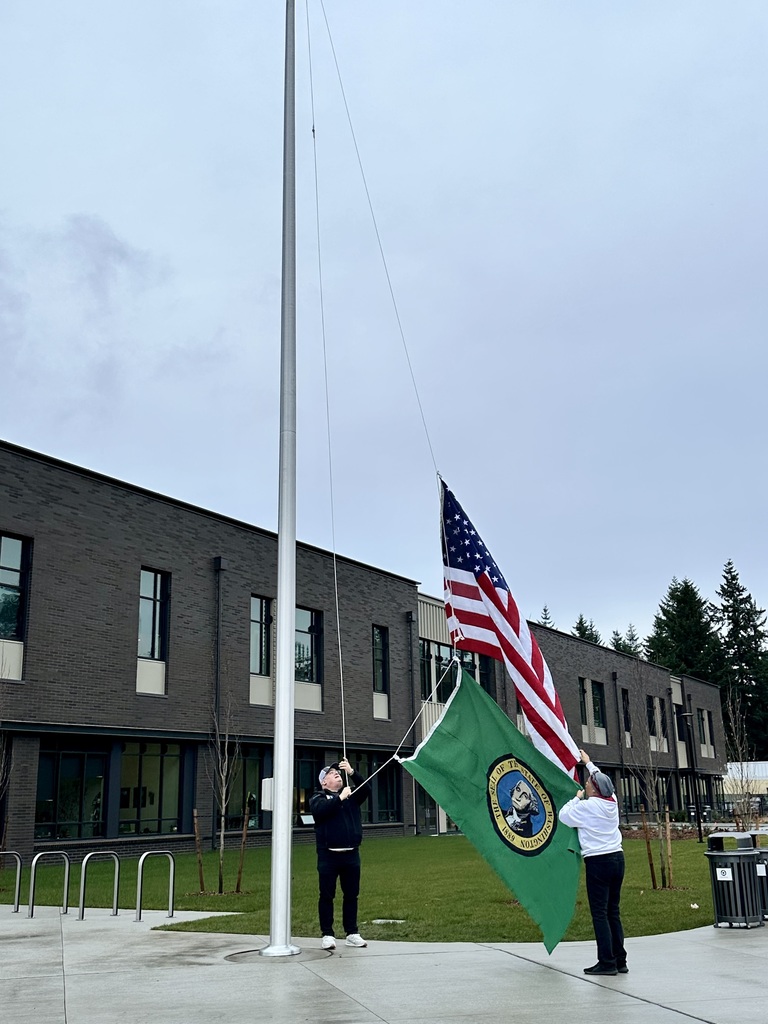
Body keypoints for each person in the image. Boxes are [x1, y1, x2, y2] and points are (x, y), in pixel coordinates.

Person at [558, 748, 627, 977]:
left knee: (599, 913)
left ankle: (606, 962)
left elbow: (564, 815)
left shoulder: (587, 807)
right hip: (618, 859)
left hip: (598, 863)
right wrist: (588, 763)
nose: (586, 785)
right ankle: (620, 960)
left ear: (594, 790)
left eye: (588, 783)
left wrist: (575, 798)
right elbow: (600, 777)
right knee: (612, 911)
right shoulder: (612, 802)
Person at [309, 756, 371, 951]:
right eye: (331, 774)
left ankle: (352, 933)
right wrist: (340, 797)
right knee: (327, 895)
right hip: (328, 856)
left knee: (351, 895)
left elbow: (367, 790)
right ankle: (327, 934)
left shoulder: (351, 797)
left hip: (351, 855)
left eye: (338, 772)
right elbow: (321, 812)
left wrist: (352, 773)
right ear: (324, 782)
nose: (336, 774)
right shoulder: (318, 798)